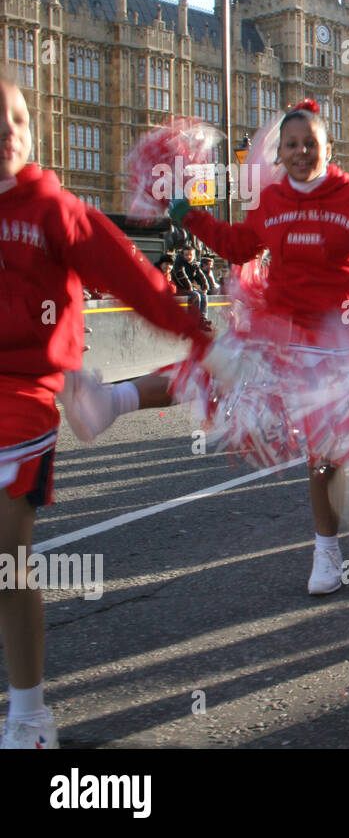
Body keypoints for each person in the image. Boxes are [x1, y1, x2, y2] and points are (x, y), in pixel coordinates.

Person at [65, 100, 349, 595]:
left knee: (324, 451)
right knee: (215, 368)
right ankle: (111, 401)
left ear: (328, 148)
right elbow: (240, 245)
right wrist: (185, 212)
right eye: (292, 145)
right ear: (280, 154)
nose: (302, 151)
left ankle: (327, 553)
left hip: (340, 341)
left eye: (311, 143)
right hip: (281, 331)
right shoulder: (272, 201)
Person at [0, 75, 209, 748]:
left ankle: (30, 714)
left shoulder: (53, 209)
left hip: (25, 398)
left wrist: (197, 333)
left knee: (7, 556)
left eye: (19, 119)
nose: (9, 130)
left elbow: (130, 274)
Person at [172, 245, 212, 330]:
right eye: (186, 255)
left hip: (189, 287)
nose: (189, 257)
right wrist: (189, 286)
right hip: (180, 288)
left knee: (203, 295)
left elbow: (200, 274)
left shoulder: (193, 263)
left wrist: (205, 285)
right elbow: (181, 276)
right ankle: (194, 319)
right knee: (196, 295)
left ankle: (202, 319)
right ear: (183, 255)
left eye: (191, 255)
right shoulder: (179, 264)